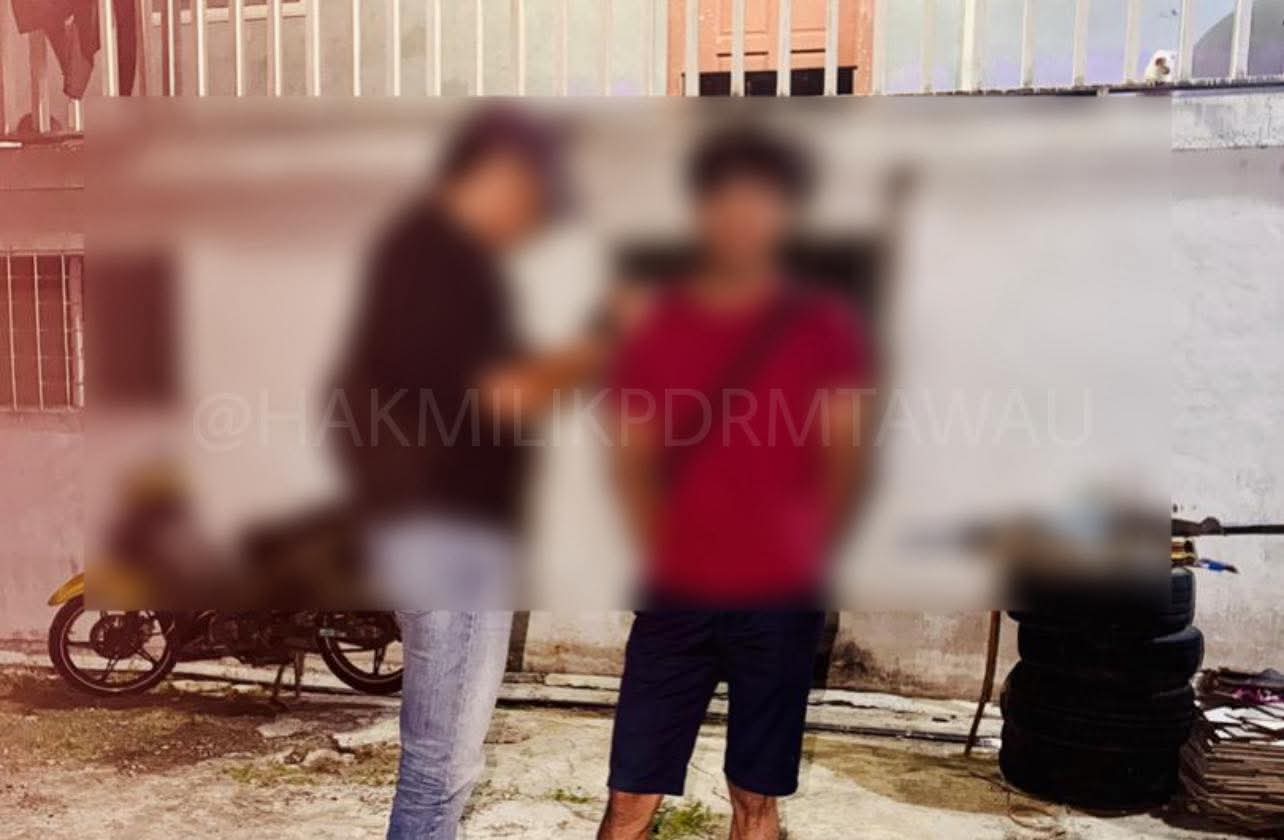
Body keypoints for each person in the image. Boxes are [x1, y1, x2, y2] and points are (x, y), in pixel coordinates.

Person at [331, 107, 608, 840]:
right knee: (442, 762)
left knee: (445, 757)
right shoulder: (439, 263)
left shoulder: (432, 255)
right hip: (449, 540)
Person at [597, 127, 875, 840]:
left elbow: (846, 451)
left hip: (778, 595)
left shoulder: (823, 325)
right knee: (630, 794)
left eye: (761, 204)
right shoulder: (660, 319)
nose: (743, 221)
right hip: (678, 589)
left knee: (755, 797)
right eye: (727, 204)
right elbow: (629, 446)